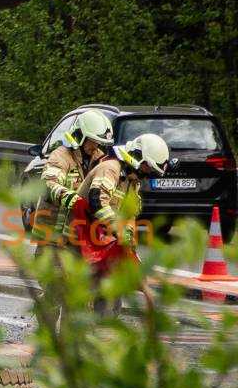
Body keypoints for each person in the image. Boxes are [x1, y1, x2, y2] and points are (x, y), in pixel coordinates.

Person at [71, 132, 171, 279]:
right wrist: (119, 230)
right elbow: (97, 202)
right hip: (77, 236)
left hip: (97, 239)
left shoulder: (132, 182)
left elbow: (129, 215)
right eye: (148, 168)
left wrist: (129, 238)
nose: (148, 174)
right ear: (138, 157)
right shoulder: (111, 169)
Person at [36, 109, 113, 242]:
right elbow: (48, 184)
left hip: (77, 234)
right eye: (93, 141)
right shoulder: (60, 156)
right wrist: (70, 198)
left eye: (99, 142)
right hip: (52, 233)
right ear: (80, 136)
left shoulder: (100, 159)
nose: (96, 146)